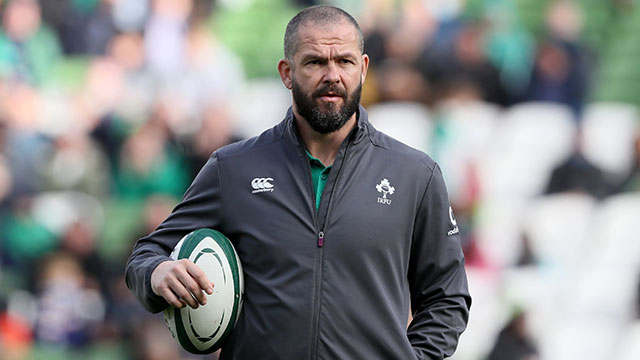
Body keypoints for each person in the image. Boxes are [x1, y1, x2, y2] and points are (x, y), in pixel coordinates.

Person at [125, 5, 471, 359]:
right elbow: (146, 256)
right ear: (287, 73)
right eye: (315, 62)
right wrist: (158, 272)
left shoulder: (414, 174)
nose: (332, 75)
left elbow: (448, 297)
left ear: (364, 69)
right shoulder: (233, 168)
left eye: (345, 61)